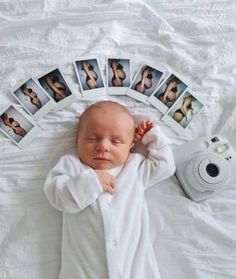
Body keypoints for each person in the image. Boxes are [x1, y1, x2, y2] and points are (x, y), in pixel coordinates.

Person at [44, 100, 175, 279]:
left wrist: (153, 136)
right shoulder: (72, 166)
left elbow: (165, 166)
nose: (103, 146)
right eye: (92, 138)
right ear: (77, 140)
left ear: (130, 146)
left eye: (116, 141)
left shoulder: (135, 168)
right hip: (83, 271)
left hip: (134, 269)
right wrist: (92, 182)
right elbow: (57, 196)